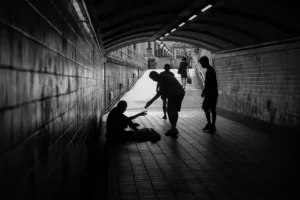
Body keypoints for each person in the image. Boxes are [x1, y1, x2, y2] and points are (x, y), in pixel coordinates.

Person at [145, 71, 185, 136]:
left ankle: (174, 128)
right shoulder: (165, 77)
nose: (153, 80)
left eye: (152, 78)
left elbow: (160, 92)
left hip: (175, 94)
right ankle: (173, 128)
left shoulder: (162, 79)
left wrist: (151, 101)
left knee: (171, 110)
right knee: (172, 110)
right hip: (179, 92)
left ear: (155, 76)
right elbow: (165, 89)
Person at [199, 56, 218, 132]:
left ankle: (210, 124)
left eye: (201, 63)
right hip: (213, 92)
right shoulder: (210, 70)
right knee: (212, 109)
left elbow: (208, 83)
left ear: (205, 62)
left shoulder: (210, 71)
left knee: (205, 107)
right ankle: (211, 125)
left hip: (210, 93)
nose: (201, 65)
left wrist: (204, 91)